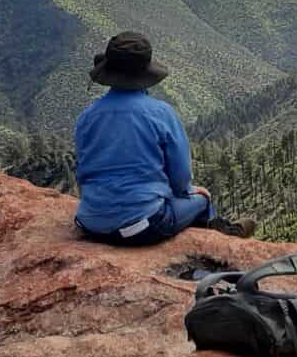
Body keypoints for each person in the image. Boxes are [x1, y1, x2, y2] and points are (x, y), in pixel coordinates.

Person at [74, 31, 254, 245]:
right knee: (203, 200)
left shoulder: (87, 115)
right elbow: (180, 177)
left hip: (89, 224)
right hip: (140, 227)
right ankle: (223, 242)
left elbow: (83, 171)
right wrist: (188, 192)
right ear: (146, 73)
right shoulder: (160, 113)